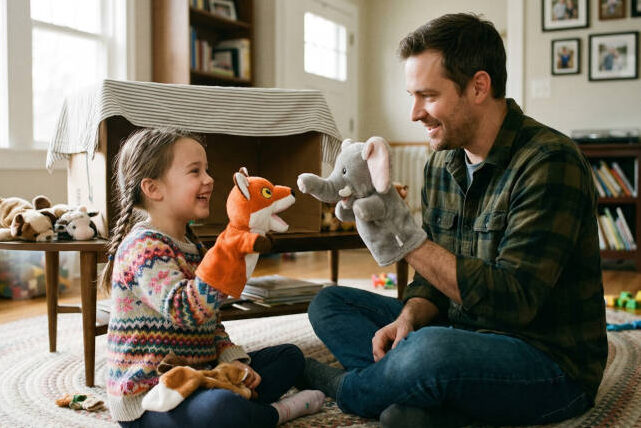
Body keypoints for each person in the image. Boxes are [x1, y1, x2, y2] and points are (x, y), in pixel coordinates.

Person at [300, 13, 607, 428]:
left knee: (430, 353)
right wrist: (409, 316)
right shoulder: (442, 162)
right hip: (460, 327)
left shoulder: (550, 162)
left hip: (545, 359)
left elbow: (513, 303)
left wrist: (408, 239)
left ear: (479, 86)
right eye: (412, 95)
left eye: (427, 95)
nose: (414, 113)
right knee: (331, 302)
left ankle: (351, 389)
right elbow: (433, 279)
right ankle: (413, 396)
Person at [100, 128, 325, 427]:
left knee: (289, 356)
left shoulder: (195, 247)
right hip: (152, 397)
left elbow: (209, 323)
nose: (209, 179)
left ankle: (240, 404)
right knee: (221, 409)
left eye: (207, 169)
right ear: (153, 189)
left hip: (205, 378)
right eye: (195, 171)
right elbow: (184, 309)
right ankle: (275, 413)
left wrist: (233, 362)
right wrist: (224, 259)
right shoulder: (143, 248)